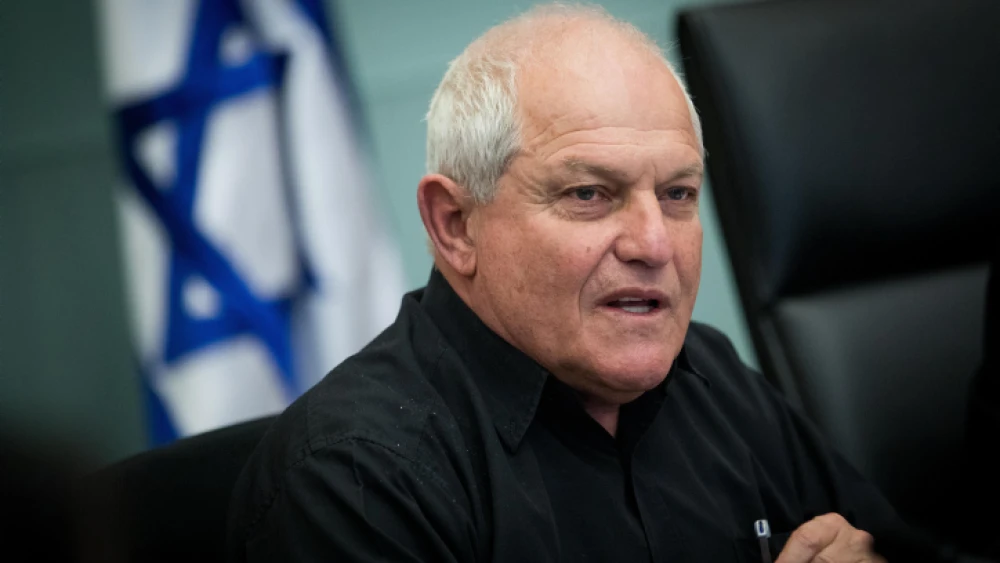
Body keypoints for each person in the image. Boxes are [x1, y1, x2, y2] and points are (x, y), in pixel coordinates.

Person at [227, 5, 943, 562]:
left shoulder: (711, 374)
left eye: (679, 193)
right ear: (455, 225)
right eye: (589, 194)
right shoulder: (353, 476)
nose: (653, 243)